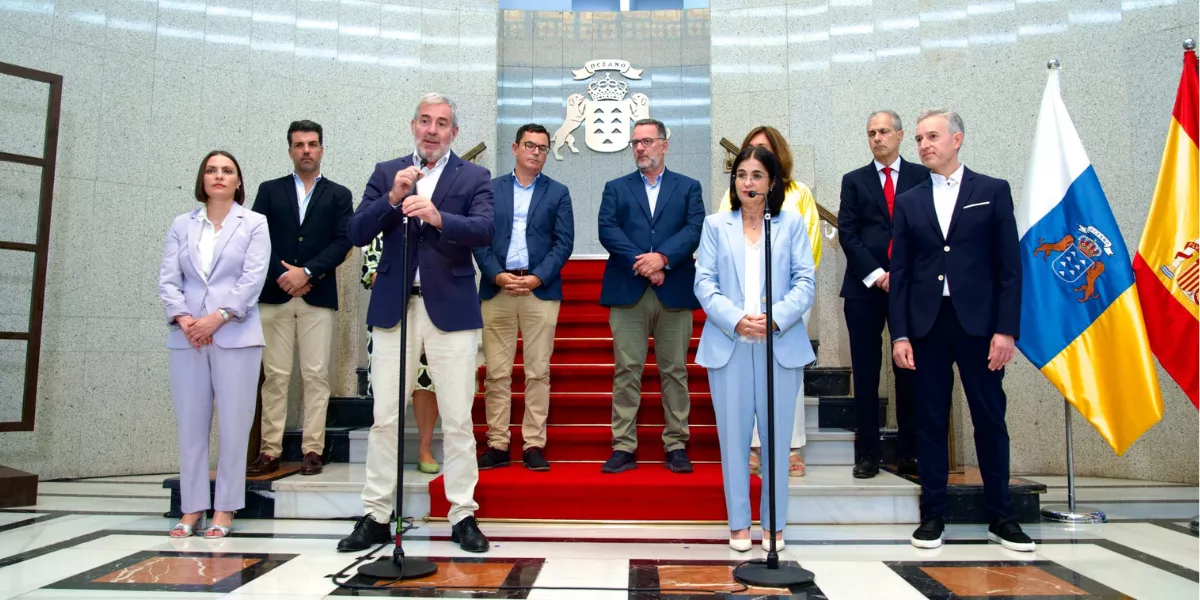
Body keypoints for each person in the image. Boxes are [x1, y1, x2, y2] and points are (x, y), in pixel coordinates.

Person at [339, 93, 494, 554]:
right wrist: (393, 200)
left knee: (458, 418)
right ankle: (377, 514)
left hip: (452, 309)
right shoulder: (388, 173)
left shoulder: (475, 176)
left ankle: (462, 514)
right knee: (385, 418)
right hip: (395, 306)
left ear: (454, 133)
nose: (432, 130)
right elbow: (356, 231)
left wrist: (438, 216)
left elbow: (485, 229)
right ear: (413, 126)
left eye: (441, 123)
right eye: (425, 121)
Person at [890, 109, 1033, 552]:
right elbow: (902, 271)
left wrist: (1006, 330)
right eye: (918, 139)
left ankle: (1002, 516)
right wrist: (899, 335)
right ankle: (934, 514)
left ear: (958, 139)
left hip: (980, 327)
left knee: (990, 419)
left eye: (932, 136)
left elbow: (1009, 268)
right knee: (930, 421)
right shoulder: (911, 200)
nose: (923, 145)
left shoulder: (991, 190)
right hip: (927, 326)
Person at [695, 146, 816, 552]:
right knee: (732, 440)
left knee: (777, 440)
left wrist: (777, 316)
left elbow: (805, 281)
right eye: (742, 175)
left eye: (757, 175)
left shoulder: (790, 223)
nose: (748, 182)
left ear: (772, 182)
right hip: (729, 343)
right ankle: (739, 524)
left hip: (777, 343)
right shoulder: (715, 225)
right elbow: (704, 283)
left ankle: (775, 526)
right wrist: (734, 318)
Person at [158, 150, 270, 538]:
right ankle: (192, 509)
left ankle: (224, 509)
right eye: (211, 170)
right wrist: (187, 320)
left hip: (235, 335)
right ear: (202, 179)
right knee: (191, 426)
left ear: (239, 181)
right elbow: (168, 280)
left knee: (235, 427)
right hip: (187, 337)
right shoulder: (181, 225)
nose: (219, 176)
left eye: (227, 171)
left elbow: (252, 281)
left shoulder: (255, 223)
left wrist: (216, 318)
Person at [597, 118, 705, 475]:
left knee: (674, 370)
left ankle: (676, 443)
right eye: (635, 143)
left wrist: (664, 259)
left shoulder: (688, 187)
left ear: (664, 144)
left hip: (673, 289)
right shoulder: (616, 187)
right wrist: (643, 263)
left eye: (646, 141)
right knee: (627, 370)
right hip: (629, 289)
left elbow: (694, 228)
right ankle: (623, 445)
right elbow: (608, 229)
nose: (640, 148)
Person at [249, 120, 354, 477]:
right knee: (275, 376)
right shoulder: (269, 190)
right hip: (274, 296)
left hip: (317, 295)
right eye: (299, 144)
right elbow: (257, 239)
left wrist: (307, 273)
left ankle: (313, 448)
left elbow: (343, 242)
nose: (306, 150)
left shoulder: (339, 194)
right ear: (290, 150)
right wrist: (284, 276)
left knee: (316, 375)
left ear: (322, 149)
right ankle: (270, 450)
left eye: (312, 144)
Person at [717, 125, 820, 478]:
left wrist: (787, 308)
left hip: (786, 305)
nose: (751, 176)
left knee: (785, 379)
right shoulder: (730, 199)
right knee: (746, 383)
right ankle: (753, 446)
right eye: (751, 149)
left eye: (765, 150)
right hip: (741, 307)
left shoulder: (798, 193)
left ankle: (790, 446)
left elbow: (811, 248)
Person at [473, 123, 575, 472]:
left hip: (540, 292)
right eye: (530, 145)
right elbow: (479, 236)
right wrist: (496, 274)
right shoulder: (489, 189)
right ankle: (498, 443)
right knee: (497, 374)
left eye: (543, 148)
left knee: (537, 372)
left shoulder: (558, 192)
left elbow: (564, 242)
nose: (536, 152)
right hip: (497, 288)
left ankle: (533, 443)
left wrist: (536, 277)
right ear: (515, 148)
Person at [837, 110, 930, 479]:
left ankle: (910, 452)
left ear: (901, 135)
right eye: (871, 132)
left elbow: (931, 231)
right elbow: (848, 232)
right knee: (866, 371)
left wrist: (902, 275)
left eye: (884, 131)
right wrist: (877, 275)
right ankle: (868, 455)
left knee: (909, 370)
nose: (877, 138)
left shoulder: (923, 176)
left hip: (911, 290)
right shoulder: (854, 181)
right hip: (864, 289)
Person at [362, 233, 441, 474]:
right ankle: (387, 453)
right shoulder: (381, 226)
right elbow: (370, 273)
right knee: (389, 383)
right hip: (392, 310)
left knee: (426, 381)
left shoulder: (434, 224)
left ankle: (424, 449)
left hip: (434, 310)